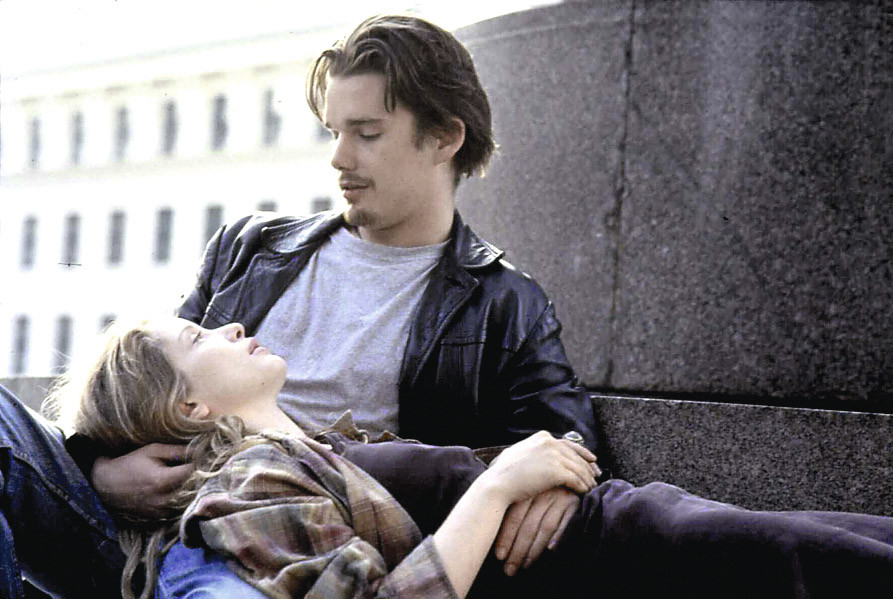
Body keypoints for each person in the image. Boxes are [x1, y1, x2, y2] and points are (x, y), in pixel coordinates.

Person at [0, 14, 597, 597]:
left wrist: (558, 479)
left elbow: (567, 435)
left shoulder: (503, 303)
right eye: (334, 132)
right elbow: (142, 381)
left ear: (445, 138)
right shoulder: (251, 248)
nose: (339, 158)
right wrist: (99, 471)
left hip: (297, 564)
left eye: (366, 134)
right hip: (150, 539)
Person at [50, 317, 893, 599]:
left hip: (633, 519)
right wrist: (498, 487)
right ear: (189, 407)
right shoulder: (248, 486)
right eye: (200, 336)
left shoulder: (312, 446)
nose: (230, 324)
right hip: (615, 562)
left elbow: (540, 437)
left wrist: (550, 459)